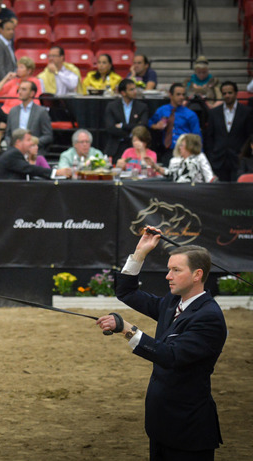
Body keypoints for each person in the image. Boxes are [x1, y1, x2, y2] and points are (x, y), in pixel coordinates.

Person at [97, 228, 226, 461]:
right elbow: (126, 292)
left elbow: (171, 357)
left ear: (197, 275)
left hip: (188, 432)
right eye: (169, 269)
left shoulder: (209, 317)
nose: (168, 276)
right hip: (161, 425)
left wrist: (127, 329)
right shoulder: (172, 302)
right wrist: (140, 252)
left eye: (176, 270)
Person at [205, 81, 252, 181]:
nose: (227, 95)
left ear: (236, 93)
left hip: (239, 159)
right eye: (224, 93)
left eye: (230, 93)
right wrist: (211, 155)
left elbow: (249, 136)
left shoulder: (246, 112)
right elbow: (209, 136)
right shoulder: (214, 112)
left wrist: (244, 154)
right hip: (218, 159)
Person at [0, 129, 71, 180]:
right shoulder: (13, 154)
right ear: (18, 142)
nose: (31, 143)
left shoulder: (14, 153)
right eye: (28, 140)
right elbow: (29, 168)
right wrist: (56, 172)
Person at [103, 79, 150, 159]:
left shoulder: (142, 107)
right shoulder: (112, 106)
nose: (135, 91)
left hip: (135, 147)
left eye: (135, 89)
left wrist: (122, 125)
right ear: (123, 93)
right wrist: (129, 135)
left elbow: (142, 126)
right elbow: (110, 128)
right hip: (116, 146)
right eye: (131, 90)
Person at [150, 83, 201, 154]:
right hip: (165, 150)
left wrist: (198, 154)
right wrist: (156, 126)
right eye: (178, 94)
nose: (181, 97)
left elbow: (197, 136)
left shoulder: (190, 114)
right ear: (170, 95)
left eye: (183, 95)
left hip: (185, 150)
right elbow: (150, 123)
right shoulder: (162, 110)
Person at [6, 81, 53, 157]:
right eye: (19, 89)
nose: (20, 92)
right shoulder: (13, 111)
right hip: (14, 152)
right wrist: (12, 145)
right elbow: (7, 134)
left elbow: (48, 135)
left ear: (32, 93)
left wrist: (32, 143)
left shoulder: (41, 111)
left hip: (34, 152)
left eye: (23, 89)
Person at [147, 133, 213, 183]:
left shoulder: (192, 163)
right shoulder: (184, 161)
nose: (179, 148)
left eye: (181, 145)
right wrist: (155, 166)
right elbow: (171, 173)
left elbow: (182, 183)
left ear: (189, 148)